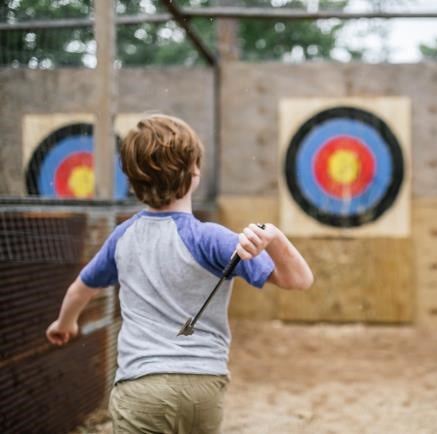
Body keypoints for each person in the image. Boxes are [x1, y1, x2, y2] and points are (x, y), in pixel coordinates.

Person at [45, 114, 313, 433]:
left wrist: (65, 323)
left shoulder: (122, 238)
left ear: (132, 181)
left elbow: (80, 290)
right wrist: (274, 236)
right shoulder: (212, 238)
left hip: (140, 388)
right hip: (203, 389)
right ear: (195, 171)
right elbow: (299, 280)